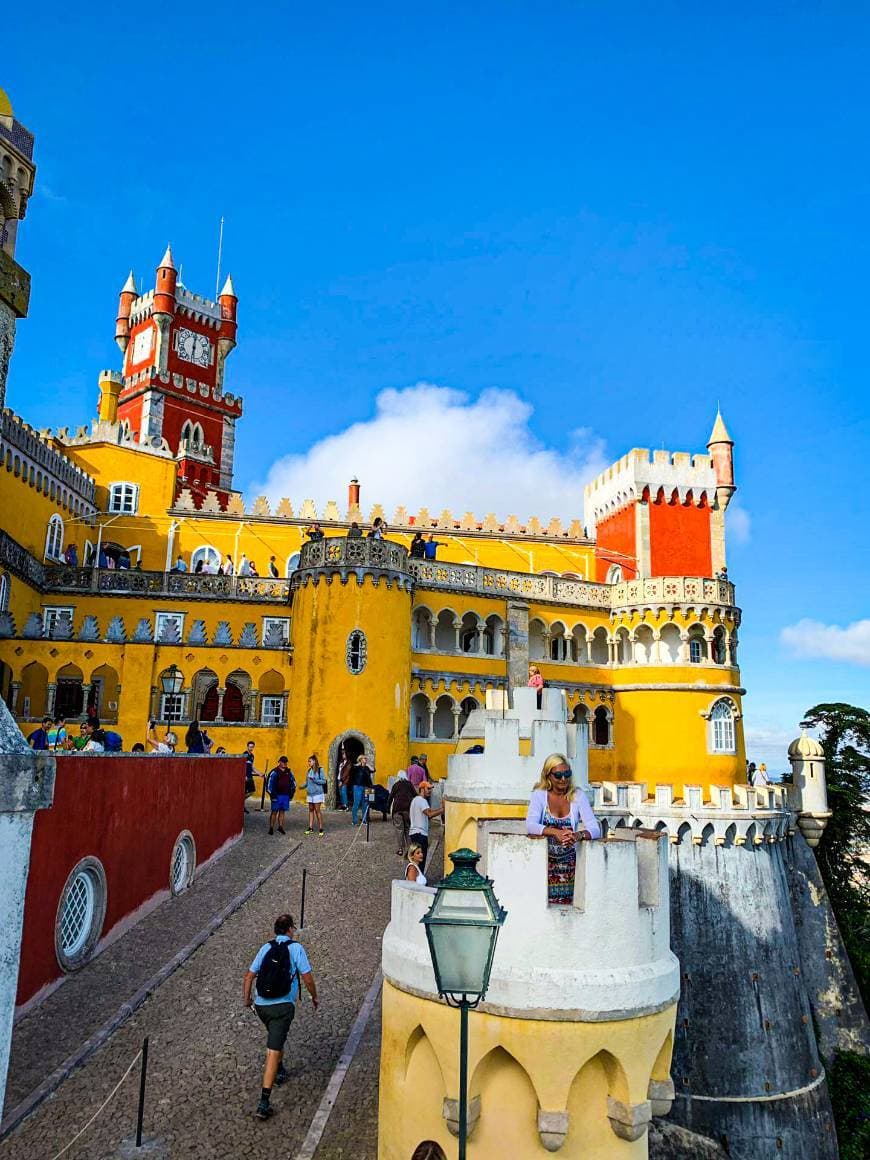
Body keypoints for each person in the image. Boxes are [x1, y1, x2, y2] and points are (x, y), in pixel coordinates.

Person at [243, 913, 318, 1121]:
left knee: (277, 1034)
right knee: (272, 1051)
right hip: (283, 1006)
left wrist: (247, 1000)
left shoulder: (266, 948)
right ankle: (264, 1102)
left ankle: (281, 1068)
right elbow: (307, 977)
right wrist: (314, 996)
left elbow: (249, 976)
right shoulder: (296, 948)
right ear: (290, 930)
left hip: (261, 1006)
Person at [526, 753, 601, 907]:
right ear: (548, 776)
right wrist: (556, 832)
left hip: (570, 868)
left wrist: (578, 835)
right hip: (544, 866)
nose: (563, 779)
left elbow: (595, 828)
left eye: (567, 774)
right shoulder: (539, 795)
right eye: (558, 775)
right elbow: (530, 825)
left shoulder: (577, 795)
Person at [408, 781, 443, 869]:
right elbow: (429, 814)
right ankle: (419, 881)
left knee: (414, 861)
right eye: (428, 789)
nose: (430, 791)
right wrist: (443, 809)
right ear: (422, 789)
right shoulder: (422, 800)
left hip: (413, 833)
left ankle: (413, 879)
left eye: (431, 789)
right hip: (420, 834)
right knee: (421, 861)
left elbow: (425, 816)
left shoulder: (414, 800)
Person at [389, 770, 417, 856]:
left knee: (399, 829)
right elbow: (415, 794)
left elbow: (390, 797)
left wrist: (387, 808)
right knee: (408, 828)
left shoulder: (396, 785)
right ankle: (410, 849)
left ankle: (400, 849)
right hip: (407, 810)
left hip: (397, 810)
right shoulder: (409, 784)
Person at [266, 756, 296, 836]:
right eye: (283, 762)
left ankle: (280, 827)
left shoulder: (289, 772)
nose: (284, 763)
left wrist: (291, 794)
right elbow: (269, 786)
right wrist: (272, 796)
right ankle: (271, 827)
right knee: (274, 812)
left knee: (282, 811)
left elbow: (293, 783)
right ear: (279, 762)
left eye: (285, 762)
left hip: (285, 795)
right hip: (276, 795)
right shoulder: (274, 772)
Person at [304, 754, 327, 837]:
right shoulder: (308, 771)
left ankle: (321, 828)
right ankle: (310, 828)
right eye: (308, 761)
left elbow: (324, 781)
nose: (308, 763)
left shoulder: (320, 770)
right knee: (310, 809)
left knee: (317, 810)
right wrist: (302, 786)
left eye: (310, 761)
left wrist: (315, 780)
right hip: (310, 794)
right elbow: (307, 782)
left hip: (318, 793)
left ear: (314, 761)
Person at [351, 754, 374, 826]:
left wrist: (367, 764)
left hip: (368, 787)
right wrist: (359, 764)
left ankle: (364, 820)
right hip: (358, 786)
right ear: (360, 759)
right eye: (364, 758)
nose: (365, 759)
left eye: (366, 758)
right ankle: (354, 821)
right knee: (356, 803)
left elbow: (373, 770)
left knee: (366, 804)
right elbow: (352, 768)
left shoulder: (367, 768)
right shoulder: (357, 767)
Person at [244, 740, 259, 814]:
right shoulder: (244, 755)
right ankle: (241, 805)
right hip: (245, 777)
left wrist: (259, 773)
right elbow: (242, 766)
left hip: (250, 776)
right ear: (247, 747)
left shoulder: (252, 756)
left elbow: (252, 767)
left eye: (252, 747)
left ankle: (241, 802)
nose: (251, 748)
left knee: (251, 791)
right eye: (250, 747)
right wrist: (244, 776)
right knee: (245, 791)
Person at [337, 744, 352, 810]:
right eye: (342, 754)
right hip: (339, 779)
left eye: (344, 754)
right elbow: (340, 771)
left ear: (347, 755)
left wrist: (341, 780)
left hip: (344, 780)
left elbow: (346, 773)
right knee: (340, 793)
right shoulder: (341, 762)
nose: (343, 755)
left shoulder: (348, 763)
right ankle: (343, 805)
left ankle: (346, 806)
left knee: (343, 792)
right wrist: (342, 747)